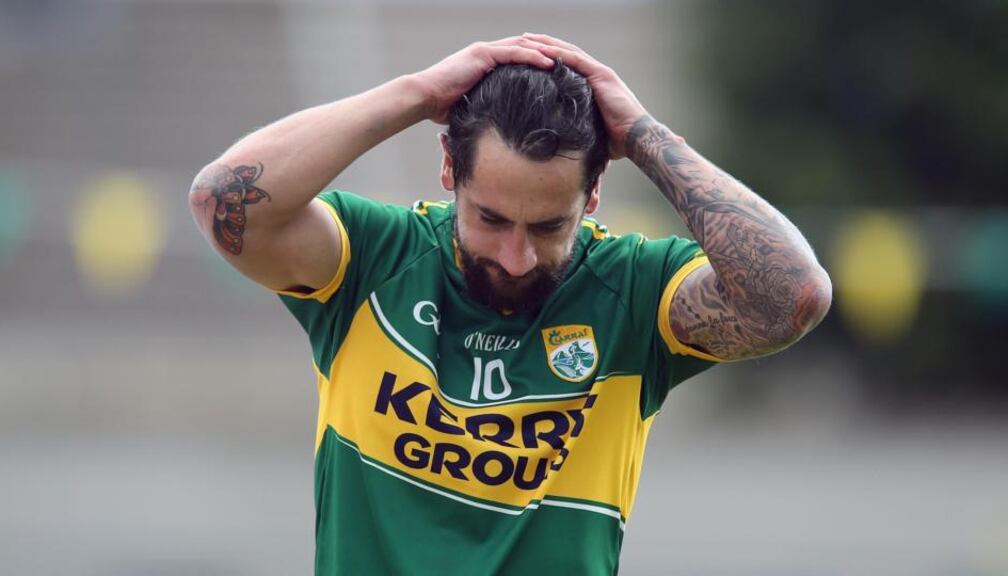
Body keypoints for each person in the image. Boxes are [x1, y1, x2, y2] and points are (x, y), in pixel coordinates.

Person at [189, 34, 831, 576]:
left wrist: (642, 135)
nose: (516, 256)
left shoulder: (633, 290)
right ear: (450, 169)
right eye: (491, 218)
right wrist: (417, 94)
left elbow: (791, 297)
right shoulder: (371, 260)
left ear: (593, 194)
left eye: (550, 226)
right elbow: (221, 201)